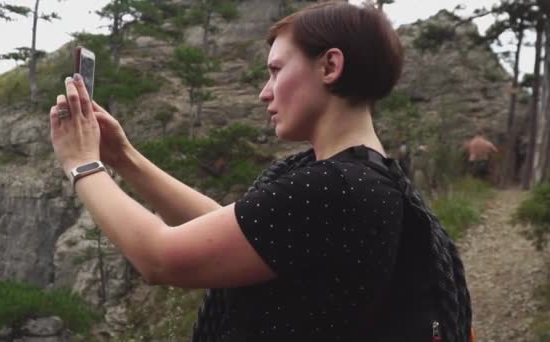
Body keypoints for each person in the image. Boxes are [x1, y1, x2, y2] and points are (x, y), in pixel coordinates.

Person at [49, 2, 471, 341]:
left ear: (330, 67)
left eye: (275, 70)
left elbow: (160, 259)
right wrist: (124, 158)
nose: (264, 92)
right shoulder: (364, 177)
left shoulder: (336, 187)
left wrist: (82, 163)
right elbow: (233, 228)